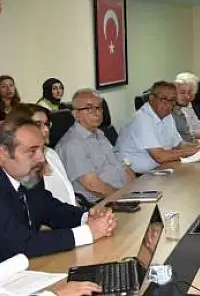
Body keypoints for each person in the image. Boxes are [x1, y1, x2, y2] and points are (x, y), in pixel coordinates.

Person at [0, 114, 117, 260]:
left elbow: (51, 210)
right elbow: (18, 243)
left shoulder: (29, 176)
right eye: (32, 151)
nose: (42, 159)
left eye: (42, 150)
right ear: (3, 154)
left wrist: (86, 217)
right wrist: (87, 233)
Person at [56, 89, 134, 203]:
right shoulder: (72, 144)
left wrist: (136, 189)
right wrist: (124, 198)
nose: (97, 113)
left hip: (123, 194)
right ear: (76, 114)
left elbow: (122, 166)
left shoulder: (100, 134)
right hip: (102, 202)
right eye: (90, 108)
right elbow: (93, 186)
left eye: (99, 108)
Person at [116, 82, 200, 174]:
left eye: (172, 100)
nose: (167, 104)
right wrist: (195, 150)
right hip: (135, 175)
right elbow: (160, 156)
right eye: (163, 99)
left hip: (161, 168)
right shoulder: (142, 118)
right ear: (151, 98)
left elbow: (178, 144)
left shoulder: (167, 115)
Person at [7, 105, 76, 206]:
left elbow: (68, 194)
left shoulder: (51, 154)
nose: (46, 130)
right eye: (38, 124)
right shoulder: (18, 164)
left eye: (47, 124)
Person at [173, 72, 200, 142]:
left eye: (190, 93)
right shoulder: (170, 111)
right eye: (182, 92)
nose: (187, 96)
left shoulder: (187, 105)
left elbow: (195, 124)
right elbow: (184, 135)